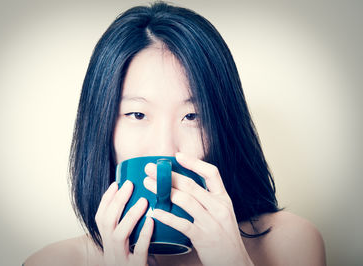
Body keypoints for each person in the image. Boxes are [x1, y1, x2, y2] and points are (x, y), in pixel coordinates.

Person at [24, 1, 326, 265]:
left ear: (223, 126)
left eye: (192, 116)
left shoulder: (290, 244)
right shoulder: (52, 262)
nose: (165, 148)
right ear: (101, 128)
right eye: (138, 114)